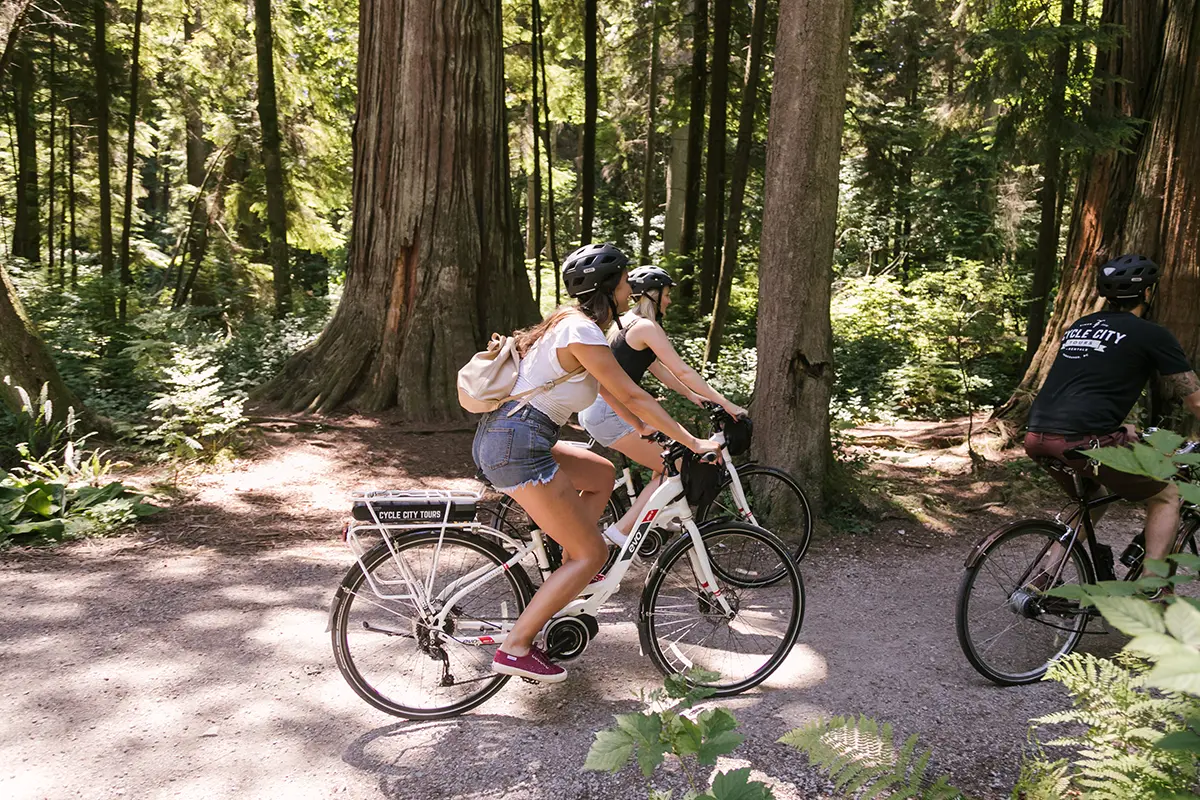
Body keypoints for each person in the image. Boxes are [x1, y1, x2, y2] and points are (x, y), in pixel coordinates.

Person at [471, 243, 719, 684]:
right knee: (594, 552)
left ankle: (575, 568)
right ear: (609, 287)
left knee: (601, 472)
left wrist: (638, 427)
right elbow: (634, 392)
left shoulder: (570, 326)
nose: (630, 288)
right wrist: (690, 441)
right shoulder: (582, 331)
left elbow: (606, 390)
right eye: (624, 281)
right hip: (519, 444)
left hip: (514, 436)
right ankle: (515, 647)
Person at [1025, 254, 1200, 573]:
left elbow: (1086, 384)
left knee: (1092, 497)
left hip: (1037, 435)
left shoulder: (1080, 326)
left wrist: (1118, 429)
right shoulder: (1152, 334)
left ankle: (1042, 579)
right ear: (1148, 293)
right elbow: (1196, 402)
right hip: (1085, 440)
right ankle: (1153, 590)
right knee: (1168, 493)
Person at [578, 265, 747, 544]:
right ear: (653, 295)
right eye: (667, 294)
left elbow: (660, 369)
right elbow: (682, 370)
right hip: (611, 413)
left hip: (600, 410)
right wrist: (726, 403)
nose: (669, 300)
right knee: (678, 464)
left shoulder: (627, 322)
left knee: (668, 459)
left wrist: (693, 396)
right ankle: (620, 533)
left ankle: (659, 517)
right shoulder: (646, 327)